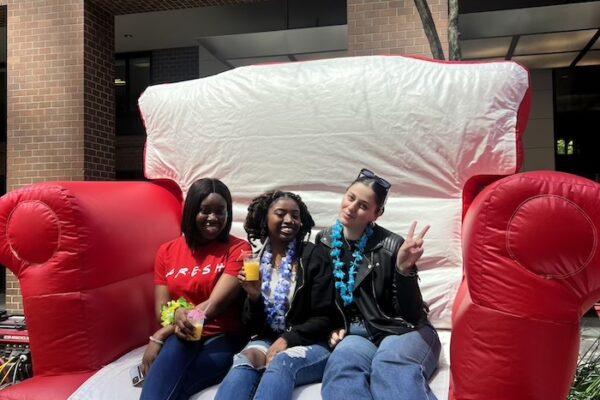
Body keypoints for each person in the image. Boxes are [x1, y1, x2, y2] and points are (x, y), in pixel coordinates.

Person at [319, 168, 441, 400]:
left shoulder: (392, 245)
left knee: (389, 365)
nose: (352, 207)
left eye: (363, 205)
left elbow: (411, 314)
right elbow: (324, 296)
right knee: (341, 369)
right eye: (350, 197)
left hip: (402, 329)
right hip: (357, 334)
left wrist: (404, 269)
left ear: (376, 214)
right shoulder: (324, 241)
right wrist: (331, 326)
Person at [215, 190, 336, 400]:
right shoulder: (256, 261)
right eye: (281, 213)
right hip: (266, 339)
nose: (289, 220)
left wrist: (287, 339)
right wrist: (254, 298)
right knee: (244, 362)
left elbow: (326, 316)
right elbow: (251, 327)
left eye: (295, 215)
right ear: (265, 218)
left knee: (281, 361)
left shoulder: (314, 256)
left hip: (312, 344)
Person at [140, 178, 251, 400]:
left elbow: (214, 305)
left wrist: (162, 333)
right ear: (191, 211)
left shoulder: (238, 249)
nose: (213, 218)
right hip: (181, 335)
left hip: (222, 336)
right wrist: (173, 319)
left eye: (220, 211)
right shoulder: (167, 251)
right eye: (205, 210)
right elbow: (161, 308)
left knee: (180, 387)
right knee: (155, 388)